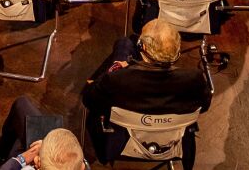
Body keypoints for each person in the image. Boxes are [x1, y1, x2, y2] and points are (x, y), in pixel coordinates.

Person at [80, 19, 212, 164]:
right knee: (125, 43)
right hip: (174, 144)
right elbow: (204, 106)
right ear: (177, 50)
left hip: (121, 144)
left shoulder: (118, 79)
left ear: (142, 47)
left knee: (124, 44)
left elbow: (89, 99)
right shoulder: (194, 80)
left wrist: (116, 70)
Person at [0, 100, 87, 170]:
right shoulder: (80, 165)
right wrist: (47, 151)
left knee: (22, 107)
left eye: (39, 160)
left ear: (38, 163)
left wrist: (23, 158)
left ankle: (1, 153)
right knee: (22, 105)